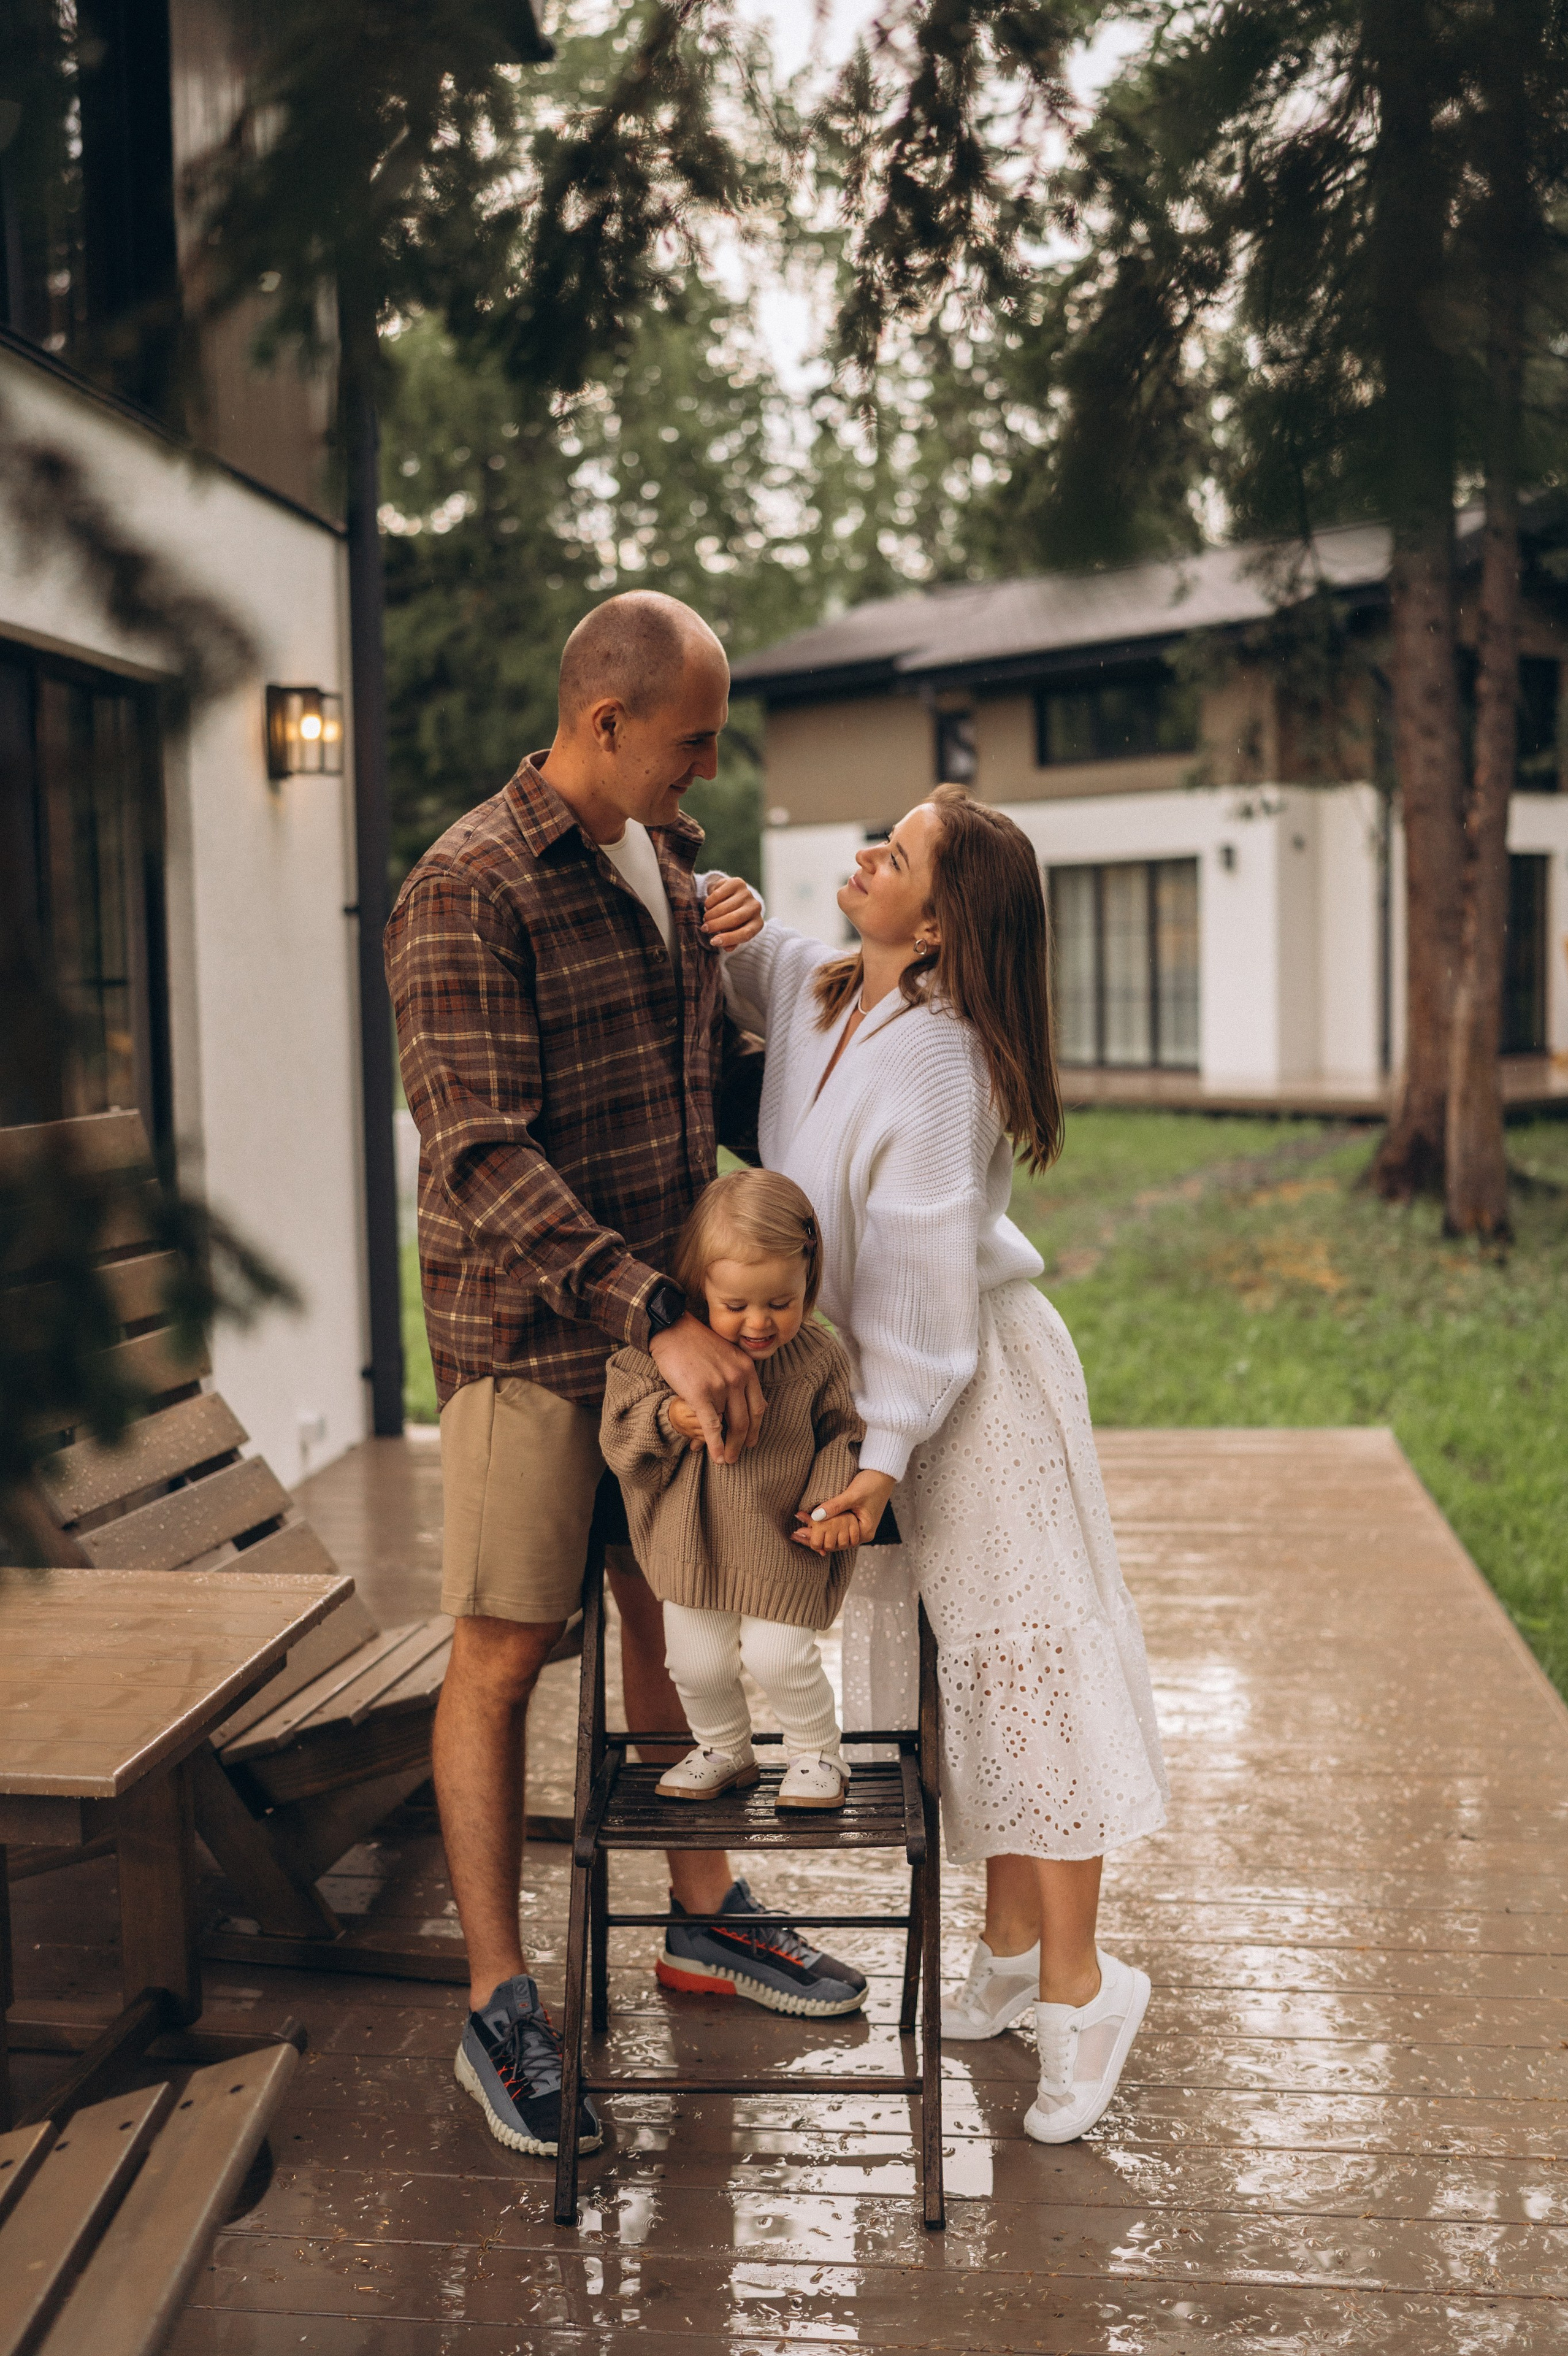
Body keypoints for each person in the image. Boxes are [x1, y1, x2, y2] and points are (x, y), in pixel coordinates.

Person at [384, 591, 868, 2165]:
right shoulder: (459, 888)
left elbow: (703, 1084)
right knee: (504, 1650)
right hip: (533, 1339)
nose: (707, 769)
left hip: (668, 1324)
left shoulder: (665, 865)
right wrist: (650, 1306)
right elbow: (478, 1155)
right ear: (604, 723)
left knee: (682, 1600)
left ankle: (703, 1923)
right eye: (693, 739)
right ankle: (496, 1996)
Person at [718, 783, 1169, 2146]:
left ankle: (1087, 1989)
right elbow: (723, 932)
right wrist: (712, 899)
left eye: (895, 854)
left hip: (971, 1387)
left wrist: (884, 1450)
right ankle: (1016, 1946)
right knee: (953, 1670)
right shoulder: (822, 985)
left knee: (1025, 1665)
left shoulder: (937, 1056)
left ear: (942, 916)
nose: (862, 859)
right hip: (900, 1395)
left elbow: (917, 1281)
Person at [602, 1168, 863, 1828]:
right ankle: (723, 1748)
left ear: (808, 1282)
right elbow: (618, 1432)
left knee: (781, 1655)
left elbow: (843, 1434)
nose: (758, 1322)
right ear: (698, 1287)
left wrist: (828, 1510)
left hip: (781, 1543)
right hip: (695, 1548)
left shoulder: (816, 1358)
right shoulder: (662, 1356)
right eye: (736, 1304)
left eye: (781, 1301)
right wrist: (669, 1418)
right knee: (693, 1660)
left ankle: (816, 1754)